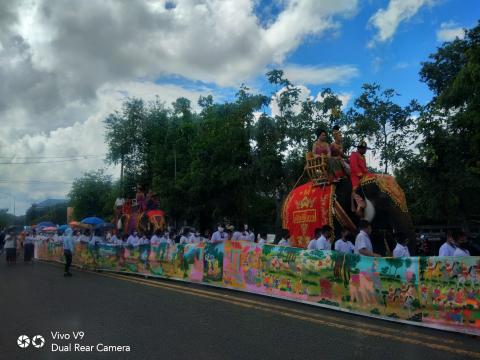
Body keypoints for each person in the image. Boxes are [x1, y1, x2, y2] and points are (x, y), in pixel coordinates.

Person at [349, 141, 371, 216]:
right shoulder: (354, 155)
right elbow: (353, 166)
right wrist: (360, 174)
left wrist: (368, 174)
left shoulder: (363, 157)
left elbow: (365, 168)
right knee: (356, 188)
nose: (365, 150)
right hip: (355, 175)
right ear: (360, 149)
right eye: (364, 149)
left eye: (365, 149)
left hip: (363, 175)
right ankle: (359, 206)